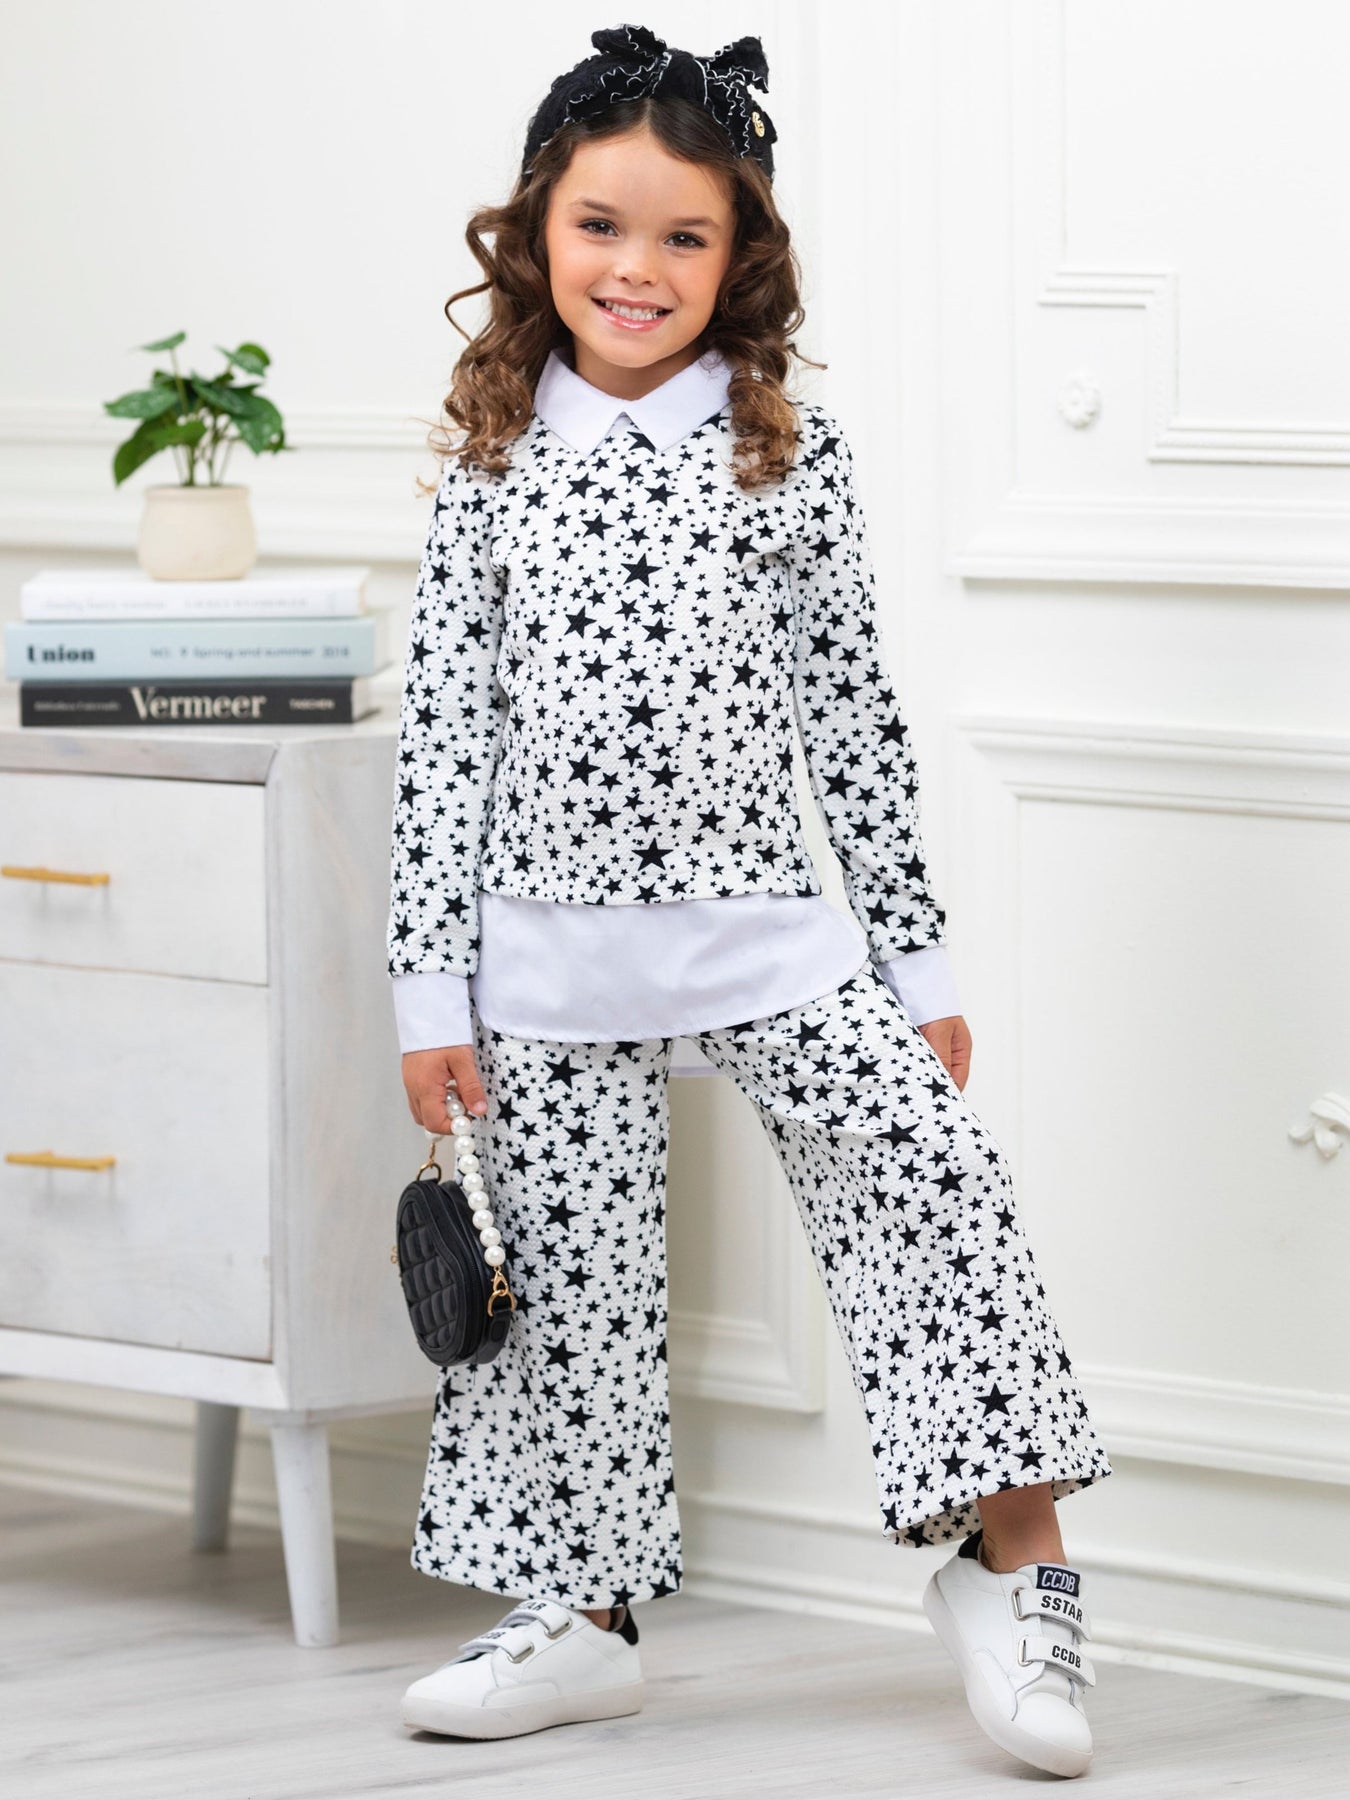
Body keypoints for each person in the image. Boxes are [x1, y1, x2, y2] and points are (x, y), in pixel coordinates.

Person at [385, 23, 1111, 1780]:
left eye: (682, 237)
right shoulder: (489, 460)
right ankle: (580, 1617)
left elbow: (851, 720)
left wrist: (914, 958)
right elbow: (444, 742)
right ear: (537, 234)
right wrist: (425, 994)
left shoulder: (787, 448)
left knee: (934, 1198)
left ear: (739, 257)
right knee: (567, 1296)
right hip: (539, 966)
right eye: (600, 226)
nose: (636, 268)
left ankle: (1011, 1573)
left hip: (772, 941)